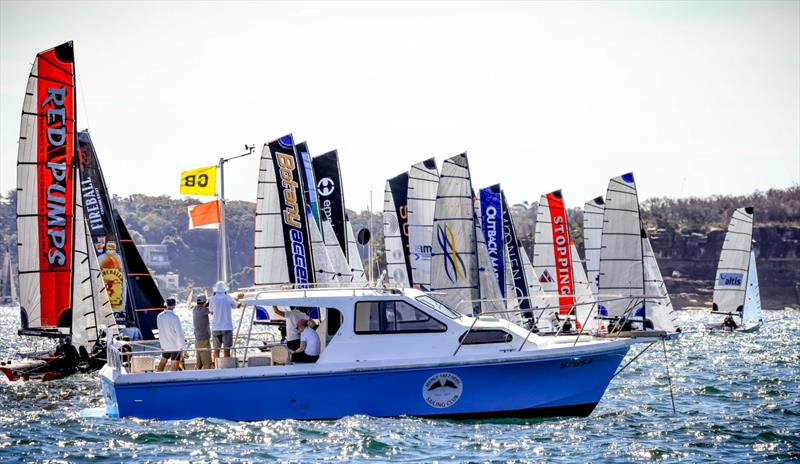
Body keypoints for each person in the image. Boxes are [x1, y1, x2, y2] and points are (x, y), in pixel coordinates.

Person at [209, 281, 237, 360]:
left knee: (216, 351)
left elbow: (211, 311)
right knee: (227, 351)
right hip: (227, 327)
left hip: (216, 328)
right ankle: (226, 367)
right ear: (225, 289)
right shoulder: (228, 297)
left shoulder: (212, 299)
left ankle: (216, 367)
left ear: (216, 290)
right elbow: (235, 306)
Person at [156, 297, 186, 372]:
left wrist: (162, 344)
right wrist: (184, 349)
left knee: (163, 361)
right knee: (174, 364)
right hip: (174, 345)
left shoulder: (159, 316)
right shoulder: (175, 317)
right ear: (174, 306)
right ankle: (171, 380)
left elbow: (160, 330)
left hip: (164, 344)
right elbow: (180, 334)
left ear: (166, 305)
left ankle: (158, 377)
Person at [192, 294, 213, 369]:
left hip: (197, 340)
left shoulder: (194, 309)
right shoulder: (204, 310)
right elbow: (212, 310)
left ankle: (195, 378)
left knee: (199, 364)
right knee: (207, 363)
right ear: (204, 302)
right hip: (204, 340)